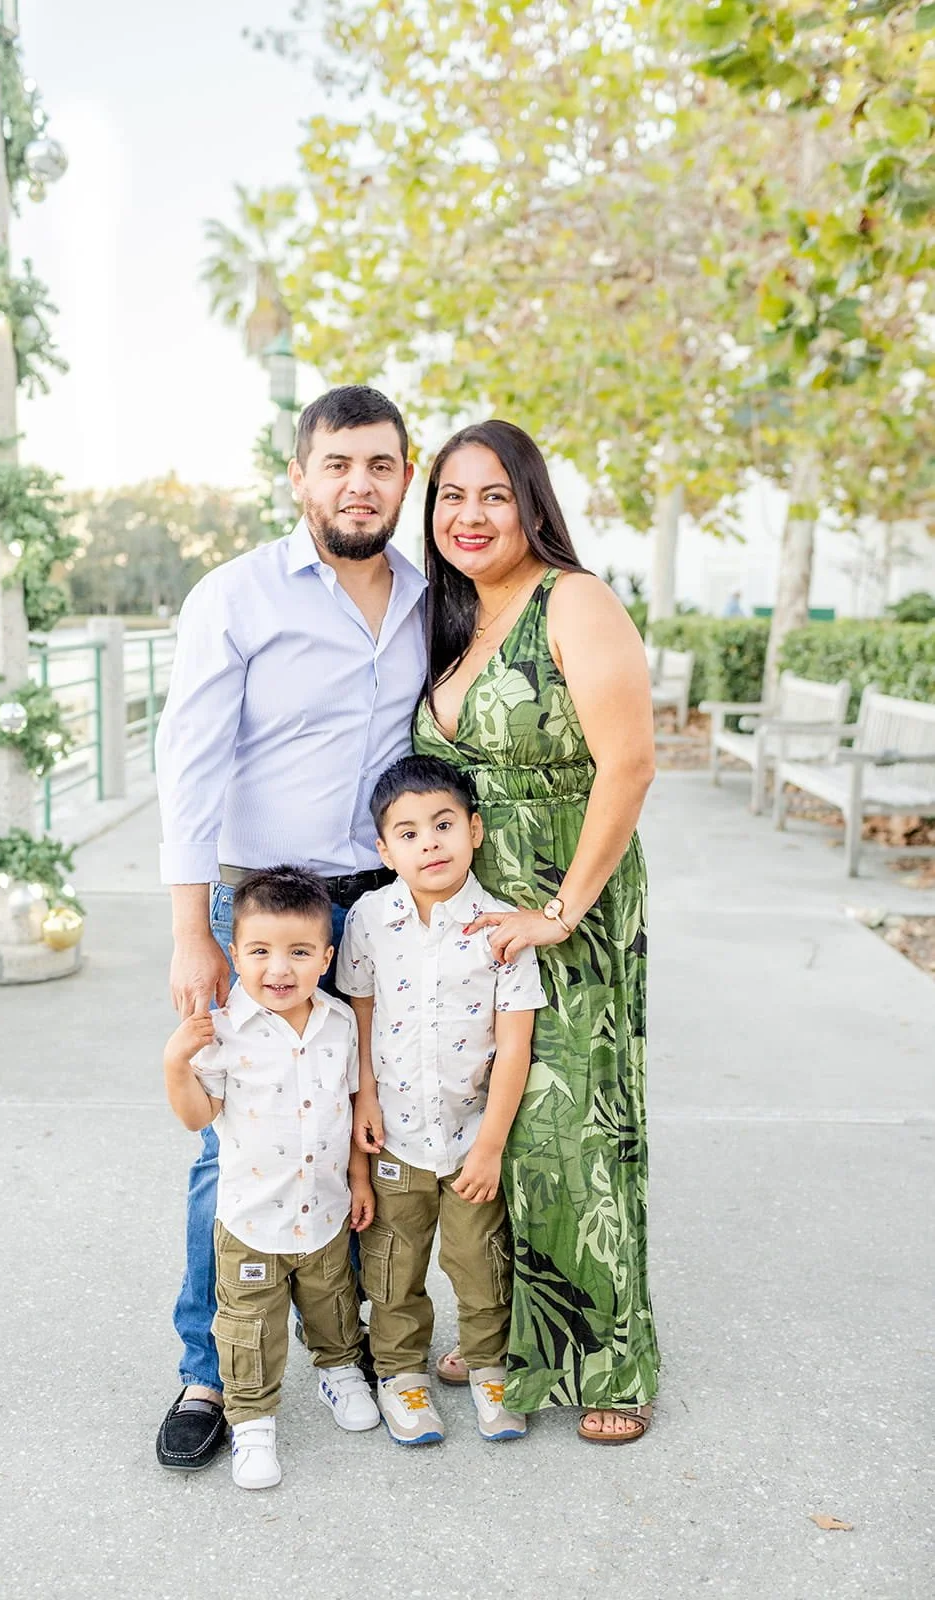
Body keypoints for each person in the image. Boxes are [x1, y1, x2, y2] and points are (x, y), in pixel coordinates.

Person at [153, 385, 425, 1471]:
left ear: (403, 476)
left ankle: (338, 1342)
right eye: (337, 464)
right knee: (239, 1142)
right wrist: (191, 932)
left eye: (379, 464)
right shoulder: (235, 594)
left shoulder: (424, 594)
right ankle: (208, 1367)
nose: (358, 484)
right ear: (298, 477)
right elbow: (190, 766)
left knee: (359, 1117)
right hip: (257, 902)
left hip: (377, 900)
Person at [412, 419, 660, 1444]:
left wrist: (560, 913)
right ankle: (504, 1325)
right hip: (474, 920)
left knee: (572, 1124)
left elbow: (629, 763)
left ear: (530, 505)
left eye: (492, 496)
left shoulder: (575, 599)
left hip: (566, 902)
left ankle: (610, 1356)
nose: (468, 517)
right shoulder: (457, 615)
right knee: (488, 1119)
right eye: (450, 498)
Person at [337, 754, 546, 1445]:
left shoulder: (500, 927)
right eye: (408, 832)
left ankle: (488, 1368)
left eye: (443, 824)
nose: (429, 842)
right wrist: (362, 1102)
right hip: (394, 1135)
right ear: (383, 849)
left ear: (475, 831)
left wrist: (489, 1146)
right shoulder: (369, 917)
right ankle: (401, 1376)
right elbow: (359, 1015)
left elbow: (514, 1044)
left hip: (467, 1143)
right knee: (391, 1266)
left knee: (480, 1265)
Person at [163, 868, 380, 1490]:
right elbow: (196, 1116)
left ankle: (339, 1373)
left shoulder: (339, 1024)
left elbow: (347, 1107)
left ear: (327, 956)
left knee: (333, 1302)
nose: (278, 969)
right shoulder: (223, 1031)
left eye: (299, 952)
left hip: (326, 1212)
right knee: (249, 1325)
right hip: (252, 1219)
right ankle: (252, 1421)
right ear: (235, 953)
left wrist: (360, 1180)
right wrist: (174, 1063)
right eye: (259, 951)